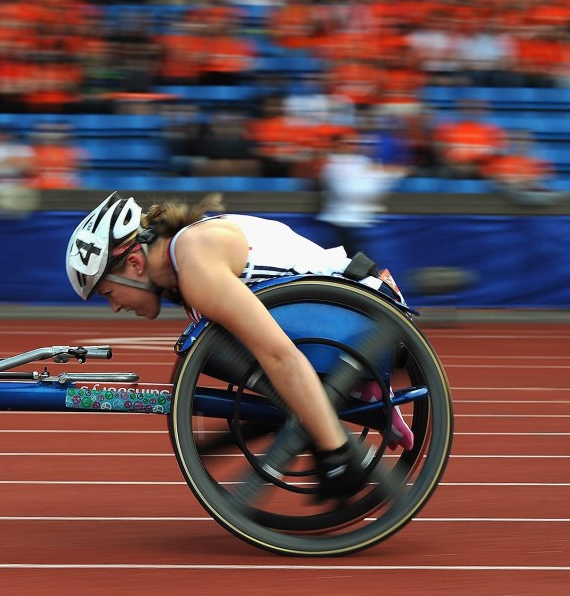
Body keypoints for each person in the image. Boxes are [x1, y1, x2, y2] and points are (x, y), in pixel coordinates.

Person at [65, 192, 413, 501]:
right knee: (206, 345)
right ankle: (359, 397)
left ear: (135, 264)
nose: (114, 307)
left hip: (363, 317)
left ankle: (353, 400)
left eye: (108, 293)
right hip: (347, 313)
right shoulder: (187, 256)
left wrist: (336, 453)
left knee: (211, 348)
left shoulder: (195, 260)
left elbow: (279, 355)